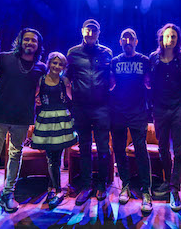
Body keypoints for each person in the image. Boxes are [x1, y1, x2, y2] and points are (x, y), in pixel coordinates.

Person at [0, 28, 46, 222]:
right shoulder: (4, 58)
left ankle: (8, 193)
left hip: (22, 118)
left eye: (33, 41)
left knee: (15, 155)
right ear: (20, 41)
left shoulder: (40, 67)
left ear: (38, 45)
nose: (30, 43)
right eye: (26, 40)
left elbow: (42, 89)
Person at [64, 19, 112, 205]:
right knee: (84, 147)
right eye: (88, 30)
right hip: (81, 108)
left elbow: (112, 79)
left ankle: (101, 185)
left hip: (101, 108)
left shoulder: (107, 52)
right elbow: (66, 79)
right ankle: (85, 185)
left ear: (99, 33)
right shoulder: (73, 53)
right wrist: (73, 100)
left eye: (94, 30)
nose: (91, 33)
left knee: (102, 148)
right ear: (82, 31)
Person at [110, 28, 152, 214]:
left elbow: (150, 83)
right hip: (118, 112)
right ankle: (125, 185)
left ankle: (146, 191)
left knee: (141, 150)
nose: (127, 41)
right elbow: (110, 85)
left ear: (136, 41)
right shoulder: (114, 62)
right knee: (119, 150)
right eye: (124, 38)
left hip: (138, 112)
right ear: (120, 42)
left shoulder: (144, 60)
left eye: (131, 38)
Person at [31, 52, 77, 209]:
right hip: (46, 120)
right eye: (54, 63)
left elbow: (71, 99)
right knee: (51, 157)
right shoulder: (41, 80)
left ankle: (54, 188)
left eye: (60, 64)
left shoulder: (64, 81)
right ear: (49, 63)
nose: (57, 66)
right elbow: (33, 96)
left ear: (64, 67)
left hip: (62, 120)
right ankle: (55, 189)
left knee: (57, 155)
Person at [149, 23, 181, 212]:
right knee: (163, 148)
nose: (170, 39)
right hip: (159, 109)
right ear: (161, 38)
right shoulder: (153, 58)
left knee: (179, 151)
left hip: (179, 108)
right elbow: (148, 82)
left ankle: (174, 188)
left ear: (177, 39)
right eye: (167, 36)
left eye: (173, 36)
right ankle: (168, 180)